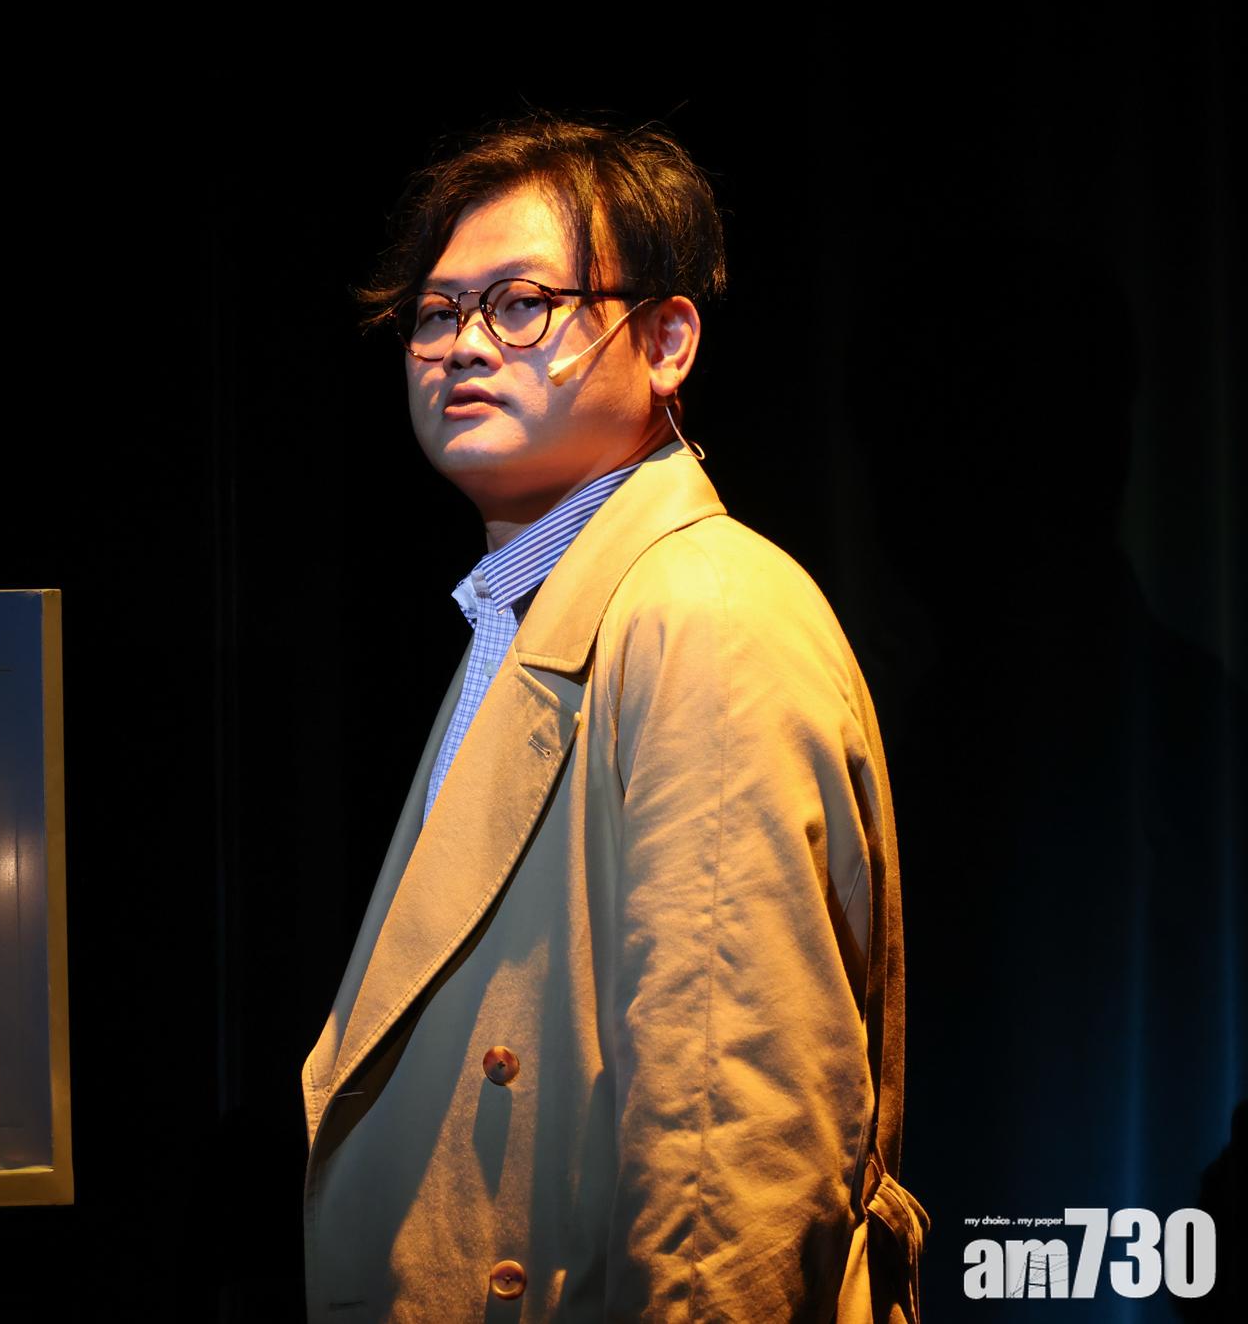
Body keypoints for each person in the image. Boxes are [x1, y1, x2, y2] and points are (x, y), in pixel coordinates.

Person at [299, 117, 927, 1321]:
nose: (462, 344)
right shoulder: (530, 609)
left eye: (521, 304)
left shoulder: (702, 611)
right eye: (436, 312)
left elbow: (724, 1149)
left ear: (665, 339)